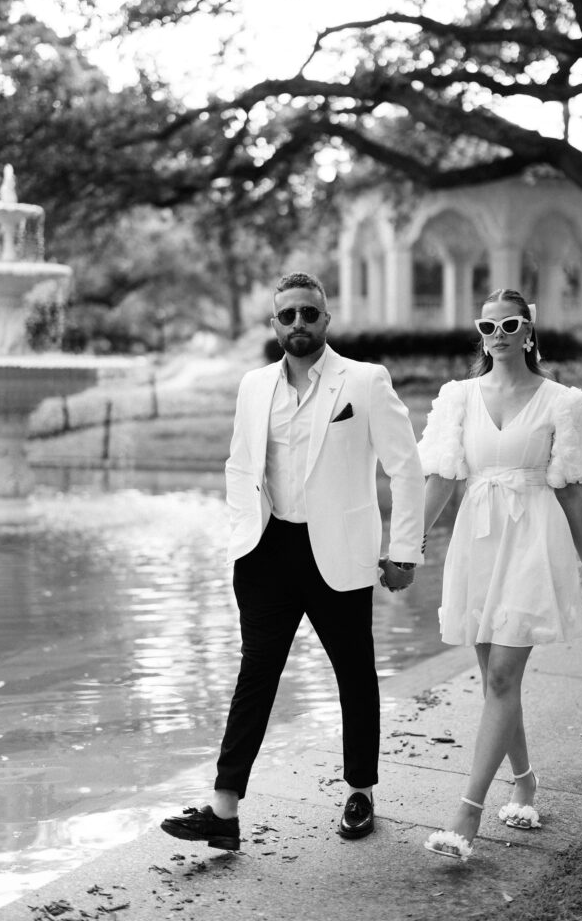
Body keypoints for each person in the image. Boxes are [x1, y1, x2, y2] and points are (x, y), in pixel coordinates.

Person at [161, 271, 425, 851]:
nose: (299, 323)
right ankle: (224, 809)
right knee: (255, 675)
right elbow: (238, 467)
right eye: (288, 315)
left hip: (339, 553)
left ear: (326, 320)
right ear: (274, 324)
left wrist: (405, 552)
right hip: (267, 552)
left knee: (354, 674)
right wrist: (240, 539)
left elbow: (406, 469)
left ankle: (360, 792)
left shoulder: (365, 380)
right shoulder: (253, 386)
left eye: (310, 312)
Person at [417, 287, 582, 862]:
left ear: (530, 331)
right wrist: (409, 542)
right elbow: (444, 478)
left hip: (532, 539)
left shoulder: (561, 402)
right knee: (496, 677)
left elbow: (569, 491)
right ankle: (525, 784)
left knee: (502, 675)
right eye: (487, 326)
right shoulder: (457, 398)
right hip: (477, 542)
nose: (497, 336)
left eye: (509, 325)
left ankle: (466, 818)